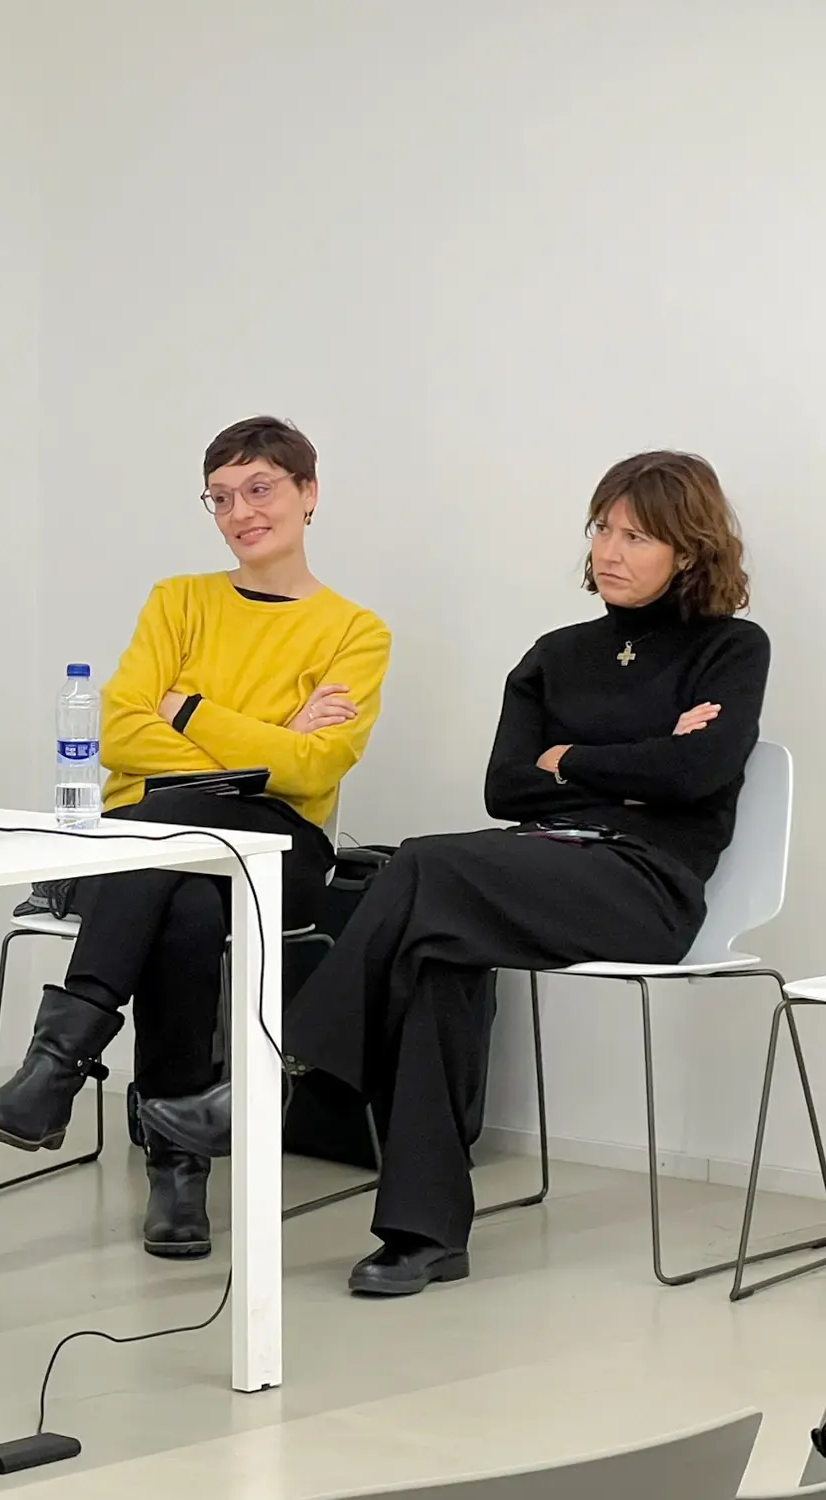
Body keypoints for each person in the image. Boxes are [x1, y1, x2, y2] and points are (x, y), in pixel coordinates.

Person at [146, 450, 768, 1296]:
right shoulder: (554, 654)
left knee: (426, 866)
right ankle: (424, 1234)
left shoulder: (731, 648)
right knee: (432, 946)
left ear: (688, 550)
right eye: (602, 529)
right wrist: (641, 756)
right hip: (540, 862)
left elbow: (698, 775)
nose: (609, 551)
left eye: (637, 537)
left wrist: (568, 756)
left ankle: (270, 1081)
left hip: (646, 883)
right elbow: (506, 786)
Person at [0, 417, 391, 1257]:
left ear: (309, 493)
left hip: (274, 849)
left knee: (166, 850)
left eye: (259, 490)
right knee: (186, 905)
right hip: (156, 847)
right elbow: (118, 732)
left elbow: (315, 766)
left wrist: (187, 709)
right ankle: (177, 1165)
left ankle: (56, 1067)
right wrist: (269, 742)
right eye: (220, 498)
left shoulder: (355, 630)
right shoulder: (178, 600)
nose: (240, 513)